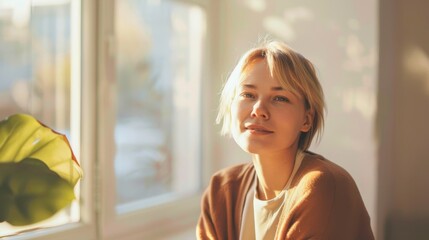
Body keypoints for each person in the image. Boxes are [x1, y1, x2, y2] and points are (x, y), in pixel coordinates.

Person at [196, 40, 375, 239]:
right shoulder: (222, 189)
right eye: (248, 94)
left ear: (306, 120)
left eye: (279, 98)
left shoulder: (322, 186)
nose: (258, 110)